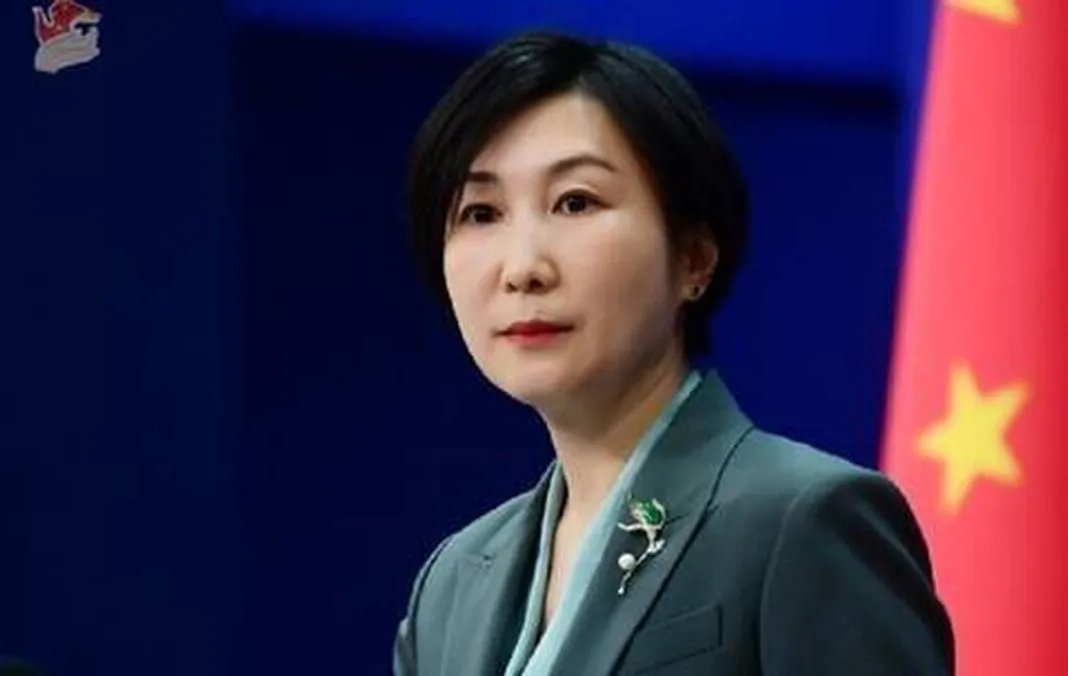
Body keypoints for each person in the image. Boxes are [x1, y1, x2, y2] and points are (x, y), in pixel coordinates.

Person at [394, 31, 954, 676]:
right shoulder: (452, 583)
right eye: (481, 212)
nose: (522, 269)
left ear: (693, 258)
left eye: (576, 202)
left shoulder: (803, 519)